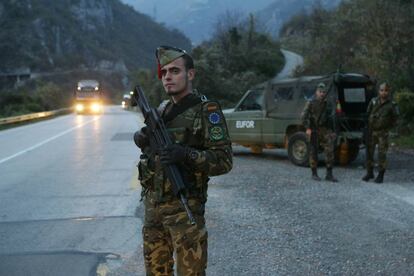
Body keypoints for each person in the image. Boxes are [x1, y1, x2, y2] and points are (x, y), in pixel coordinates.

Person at [134, 45, 233, 276]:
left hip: (185, 210)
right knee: (156, 271)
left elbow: (224, 161)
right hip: (153, 208)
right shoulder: (161, 109)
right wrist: (142, 138)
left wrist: (186, 154)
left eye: (175, 71)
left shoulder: (207, 110)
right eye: (164, 72)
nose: (168, 77)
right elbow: (154, 151)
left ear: (190, 74)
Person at [362, 82, 398, 183]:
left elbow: (395, 119)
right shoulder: (373, 101)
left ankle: (381, 174)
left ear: (389, 92)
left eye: (386, 90)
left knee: (382, 154)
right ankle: (369, 173)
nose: (383, 92)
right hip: (371, 131)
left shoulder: (392, 105)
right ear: (379, 91)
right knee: (369, 152)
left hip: (383, 132)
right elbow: (368, 114)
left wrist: (388, 128)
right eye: (382, 90)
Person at [301, 82, 338, 182]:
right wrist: (308, 128)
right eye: (320, 92)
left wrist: (333, 131)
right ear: (316, 92)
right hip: (314, 129)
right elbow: (304, 116)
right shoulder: (311, 102)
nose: (322, 93)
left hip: (325, 130)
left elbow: (331, 118)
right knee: (313, 152)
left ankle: (329, 174)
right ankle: (314, 173)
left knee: (329, 151)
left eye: (324, 92)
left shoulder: (327, 103)